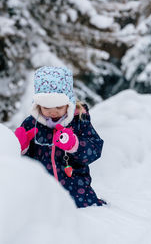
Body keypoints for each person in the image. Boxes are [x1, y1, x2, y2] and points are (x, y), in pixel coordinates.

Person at [14, 66, 106, 208]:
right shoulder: (31, 124)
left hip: (77, 192)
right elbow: (23, 165)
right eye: (47, 108)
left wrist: (75, 145)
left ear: (68, 102)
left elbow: (95, 149)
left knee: (86, 217)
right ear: (38, 105)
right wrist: (21, 148)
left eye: (58, 107)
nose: (53, 113)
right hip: (43, 193)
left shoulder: (78, 121)